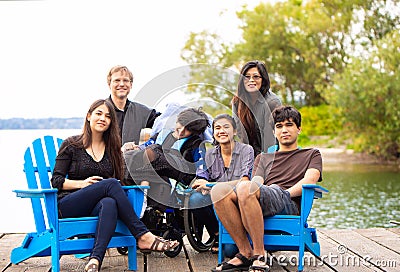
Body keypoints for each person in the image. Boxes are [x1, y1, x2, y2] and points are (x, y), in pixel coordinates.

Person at [51, 99, 178, 272]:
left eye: (108, 116)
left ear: (111, 122)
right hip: (68, 204)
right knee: (109, 184)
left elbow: (119, 181)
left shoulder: (112, 149)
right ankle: (142, 234)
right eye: (99, 113)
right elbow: (56, 181)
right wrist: (83, 184)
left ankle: (95, 260)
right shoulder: (71, 145)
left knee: (109, 203)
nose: (103, 118)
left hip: (96, 206)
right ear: (89, 116)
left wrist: (145, 180)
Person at [210, 105, 322, 272]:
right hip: (262, 199)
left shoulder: (312, 154)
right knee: (218, 191)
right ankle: (245, 252)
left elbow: (309, 180)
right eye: (279, 126)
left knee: (247, 188)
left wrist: (285, 193)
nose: (284, 130)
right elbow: (256, 182)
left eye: (289, 125)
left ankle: (260, 254)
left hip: (288, 201)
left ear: (299, 129)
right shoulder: (263, 158)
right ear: (274, 132)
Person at [189, 114, 254, 254]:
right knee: (195, 199)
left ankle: (239, 235)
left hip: (238, 200)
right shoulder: (209, 154)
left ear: (234, 131)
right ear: (213, 133)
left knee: (229, 252)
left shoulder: (246, 150)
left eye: (226, 127)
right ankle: (217, 233)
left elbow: (244, 181)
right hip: (216, 200)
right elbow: (201, 179)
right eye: (217, 128)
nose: (221, 131)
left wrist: (212, 186)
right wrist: (202, 183)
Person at [123, 107, 210, 208]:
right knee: (129, 154)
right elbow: (144, 148)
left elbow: (201, 164)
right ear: (177, 120)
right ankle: (143, 202)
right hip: (157, 173)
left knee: (154, 149)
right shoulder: (163, 134)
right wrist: (132, 148)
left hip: (181, 174)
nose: (181, 131)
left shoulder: (195, 143)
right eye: (181, 125)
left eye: (188, 130)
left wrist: (201, 179)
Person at [232, 60, 282, 157]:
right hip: (247, 154)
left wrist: (262, 162)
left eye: (256, 77)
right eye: (247, 77)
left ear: (263, 79)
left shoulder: (272, 102)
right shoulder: (237, 102)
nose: (251, 80)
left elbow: (270, 140)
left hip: (270, 155)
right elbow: (239, 134)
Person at [105, 65, 161, 150]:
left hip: (131, 162)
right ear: (109, 84)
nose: (121, 84)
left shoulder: (140, 111)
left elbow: (164, 123)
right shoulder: (100, 110)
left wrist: (145, 146)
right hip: (104, 162)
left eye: (125, 80)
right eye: (117, 80)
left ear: (131, 85)